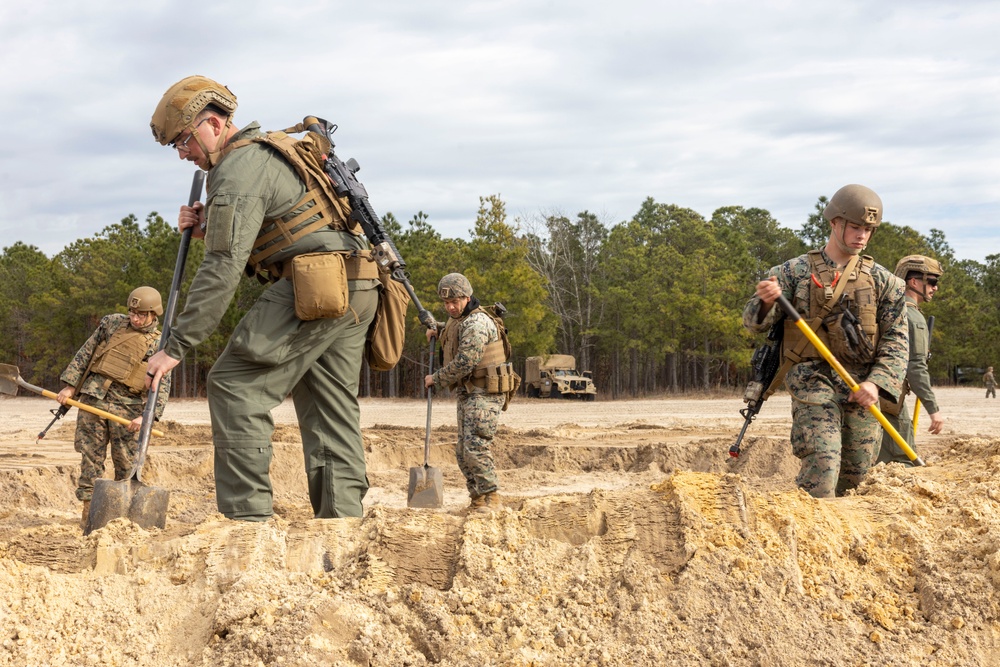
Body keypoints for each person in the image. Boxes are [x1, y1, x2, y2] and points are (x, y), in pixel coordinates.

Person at [146, 75, 380, 521]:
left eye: (182, 141)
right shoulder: (269, 152)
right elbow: (284, 224)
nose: (182, 153)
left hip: (316, 285)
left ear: (213, 125)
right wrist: (205, 225)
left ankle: (246, 524)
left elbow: (222, 267)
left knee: (234, 385)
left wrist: (175, 347)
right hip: (359, 284)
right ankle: (342, 525)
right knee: (329, 403)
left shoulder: (237, 168)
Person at [742, 184, 908, 498]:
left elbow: (897, 340)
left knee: (857, 476)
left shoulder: (886, 282)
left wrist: (876, 383)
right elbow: (753, 323)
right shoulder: (793, 273)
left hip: (862, 386)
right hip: (811, 381)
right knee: (823, 464)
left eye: (868, 230)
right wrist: (765, 302)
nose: (862, 235)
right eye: (856, 227)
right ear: (834, 223)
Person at [56, 287, 171, 529]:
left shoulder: (161, 344)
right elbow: (85, 355)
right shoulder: (111, 324)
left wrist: (146, 417)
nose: (135, 318)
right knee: (90, 459)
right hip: (92, 400)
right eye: (132, 312)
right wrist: (70, 387)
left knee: (127, 464)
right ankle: (88, 516)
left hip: (128, 411)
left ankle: (123, 521)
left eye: (141, 314)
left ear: (153, 314)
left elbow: (162, 385)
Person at [424, 273, 514, 512]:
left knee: (475, 446)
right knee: (463, 450)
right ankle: (477, 499)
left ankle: (491, 498)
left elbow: (466, 361)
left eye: (455, 302)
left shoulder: (477, 323)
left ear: (467, 297)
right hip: (469, 392)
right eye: (446, 303)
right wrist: (439, 329)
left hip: (484, 393)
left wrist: (437, 379)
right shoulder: (460, 319)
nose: (450, 307)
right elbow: (455, 332)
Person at [877, 255, 944, 465]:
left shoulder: (887, 310)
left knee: (882, 455)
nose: (935, 288)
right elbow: (915, 367)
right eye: (932, 282)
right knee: (903, 458)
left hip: (875, 393)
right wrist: (933, 410)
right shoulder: (913, 318)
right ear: (914, 282)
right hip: (889, 395)